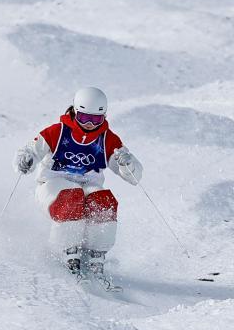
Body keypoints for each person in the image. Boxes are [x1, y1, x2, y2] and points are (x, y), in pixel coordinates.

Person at [14, 86, 143, 288]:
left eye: (96, 119)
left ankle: (96, 254)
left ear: (104, 116)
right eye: (84, 118)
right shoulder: (58, 132)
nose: (90, 124)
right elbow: (31, 150)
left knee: (104, 201)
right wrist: (25, 159)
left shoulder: (108, 139)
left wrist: (128, 164)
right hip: (53, 184)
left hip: (88, 186)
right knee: (72, 198)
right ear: (75, 111)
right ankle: (67, 252)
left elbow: (134, 178)